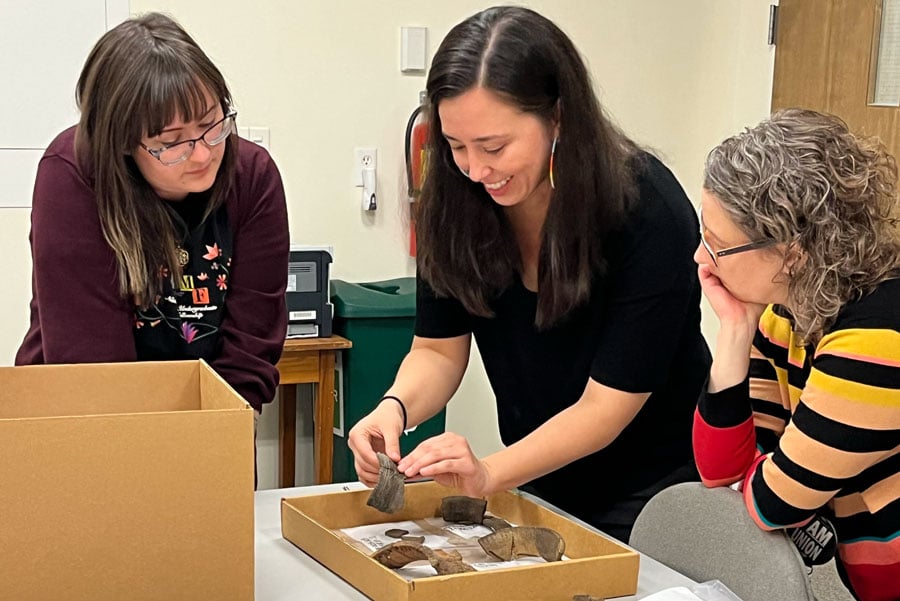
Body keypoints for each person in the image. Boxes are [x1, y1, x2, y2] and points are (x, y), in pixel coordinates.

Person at [348, 5, 711, 543]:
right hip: (540, 478)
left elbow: (606, 407)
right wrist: (393, 408)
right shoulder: (455, 202)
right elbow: (438, 350)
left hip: (659, 489)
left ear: (558, 117)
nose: (475, 169)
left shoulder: (645, 207)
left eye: (494, 147)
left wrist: (490, 473)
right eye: (455, 146)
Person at [16, 14, 289, 421]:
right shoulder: (73, 175)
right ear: (123, 143)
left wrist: (223, 430)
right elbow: (92, 367)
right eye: (171, 142)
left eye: (211, 124)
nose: (201, 154)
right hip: (83, 417)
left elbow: (250, 348)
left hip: (212, 421)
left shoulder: (252, 176)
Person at [693, 108, 900, 601]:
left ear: (793, 252)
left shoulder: (878, 339)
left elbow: (773, 504)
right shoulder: (787, 312)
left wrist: (775, 475)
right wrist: (735, 333)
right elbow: (721, 475)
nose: (701, 258)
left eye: (717, 246)